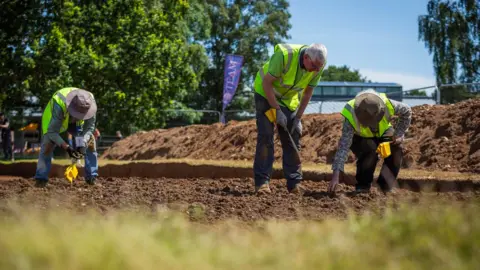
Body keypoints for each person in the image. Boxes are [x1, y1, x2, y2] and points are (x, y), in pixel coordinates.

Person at [253, 43, 328, 194]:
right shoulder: (284, 56)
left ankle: (294, 184)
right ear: (306, 57)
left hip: (287, 99)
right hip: (265, 94)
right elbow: (267, 83)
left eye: (319, 67)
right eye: (314, 66)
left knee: (293, 135)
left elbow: (307, 93)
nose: (316, 70)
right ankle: (262, 183)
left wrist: (298, 118)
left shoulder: (317, 66)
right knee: (266, 137)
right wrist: (277, 110)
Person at [328, 89, 412, 194]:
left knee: (396, 149)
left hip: (383, 131)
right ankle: (363, 187)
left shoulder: (387, 104)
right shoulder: (350, 114)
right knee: (370, 150)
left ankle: (385, 187)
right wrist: (336, 175)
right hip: (360, 137)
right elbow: (344, 146)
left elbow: (407, 111)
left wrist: (399, 134)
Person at [34, 87, 98, 187]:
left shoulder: (90, 101)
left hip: (76, 125)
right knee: (47, 144)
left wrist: (82, 144)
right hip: (53, 120)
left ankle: (91, 178)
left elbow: (89, 128)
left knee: (90, 142)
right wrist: (68, 148)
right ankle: (41, 180)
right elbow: (52, 132)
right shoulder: (59, 103)